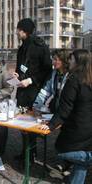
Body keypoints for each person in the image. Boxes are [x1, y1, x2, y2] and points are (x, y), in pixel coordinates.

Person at [39, 49, 92, 184]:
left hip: (77, 129)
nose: (70, 61)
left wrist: (51, 125)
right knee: (81, 164)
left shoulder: (73, 80)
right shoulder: (88, 78)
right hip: (86, 130)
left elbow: (65, 108)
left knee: (62, 150)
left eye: (72, 59)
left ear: (79, 62)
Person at [13, 18, 52, 161]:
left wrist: (30, 80)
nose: (17, 32)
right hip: (21, 92)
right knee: (22, 124)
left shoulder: (40, 46)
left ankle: (31, 154)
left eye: (18, 30)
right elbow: (20, 66)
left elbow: (47, 70)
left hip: (33, 92)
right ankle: (25, 152)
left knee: (31, 124)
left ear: (24, 31)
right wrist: (17, 74)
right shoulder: (22, 47)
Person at [33, 49, 70, 113]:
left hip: (66, 112)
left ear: (63, 60)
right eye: (53, 59)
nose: (53, 62)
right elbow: (45, 91)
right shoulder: (54, 74)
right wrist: (36, 105)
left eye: (55, 59)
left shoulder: (70, 76)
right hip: (55, 110)